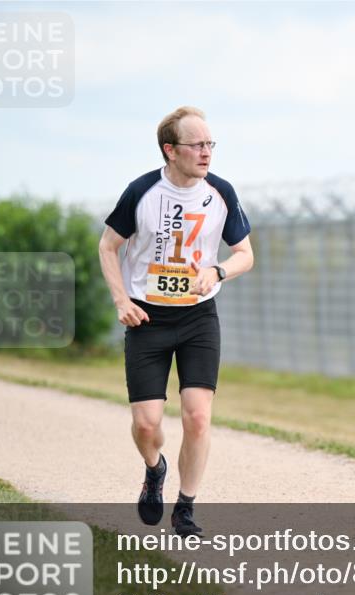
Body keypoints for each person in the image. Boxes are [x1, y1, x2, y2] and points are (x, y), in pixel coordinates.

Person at [99, 106, 253, 536]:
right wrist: (120, 300)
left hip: (198, 318)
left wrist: (218, 270)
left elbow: (246, 254)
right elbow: (107, 246)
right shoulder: (142, 191)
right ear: (170, 150)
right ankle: (154, 469)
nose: (206, 153)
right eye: (197, 145)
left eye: (210, 144)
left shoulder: (221, 192)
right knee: (147, 424)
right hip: (146, 317)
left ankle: (185, 506)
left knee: (197, 416)